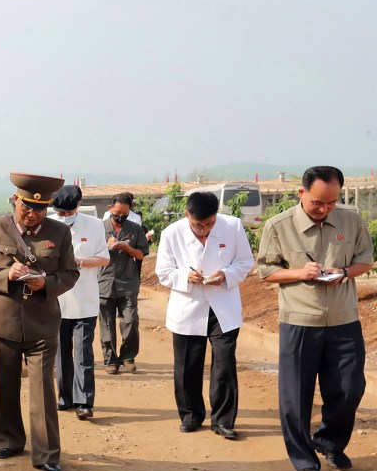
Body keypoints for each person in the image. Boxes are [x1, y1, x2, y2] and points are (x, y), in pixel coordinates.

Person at [256, 166, 373, 471]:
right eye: (318, 203)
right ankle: (303, 458)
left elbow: (365, 259)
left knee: (350, 389)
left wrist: (345, 273)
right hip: (300, 322)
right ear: (302, 193)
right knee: (295, 395)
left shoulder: (352, 220)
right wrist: (299, 273)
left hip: (343, 320)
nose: (325, 209)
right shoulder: (278, 226)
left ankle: (329, 443)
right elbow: (266, 270)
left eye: (332, 202)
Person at [0, 173, 79, 471]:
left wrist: (46, 283)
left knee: (43, 391)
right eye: (27, 207)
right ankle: (7, 439)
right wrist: (8, 274)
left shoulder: (59, 233)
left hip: (42, 325)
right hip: (1, 322)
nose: (32, 215)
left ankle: (47, 454)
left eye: (40, 209)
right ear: (15, 200)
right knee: (2, 386)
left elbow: (70, 273)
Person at [155, 191, 254, 438]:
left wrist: (225, 275)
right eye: (198, 225)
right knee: (187, 364)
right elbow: (164, 272)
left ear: (217, 215)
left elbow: (245, 262)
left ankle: (223, 420)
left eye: (209, 224)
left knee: (224, 364)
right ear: (187, 215)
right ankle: (191, 415)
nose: (204, 230)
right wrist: (184, 277)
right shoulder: (172, 233)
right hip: (188, 306)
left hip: (223, 306)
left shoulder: (233, 226)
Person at [49, 185, 109, 420]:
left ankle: (84, 401)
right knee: (61, 353)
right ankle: (65, 398)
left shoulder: (94, 226)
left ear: (77, 206)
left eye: (68, 213)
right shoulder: (49, 226)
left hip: (85, 300)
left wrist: (80, 262)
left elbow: (105, 257)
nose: (64, 217)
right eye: (60, 214)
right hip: (57, 300)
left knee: (83, 353)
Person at [98, 192, 150, 374]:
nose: (120, 217)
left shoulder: (135, 229)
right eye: (117, 213)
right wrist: (105, 247)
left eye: (125, 214)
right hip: (104, 282)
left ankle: (128, 357)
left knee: (130, 321)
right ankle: (110, 360)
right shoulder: (98, 228)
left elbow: (141, 254)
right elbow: (89, 254)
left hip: (128, 282)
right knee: (106, 323)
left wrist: (126, 247)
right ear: (110, 209)